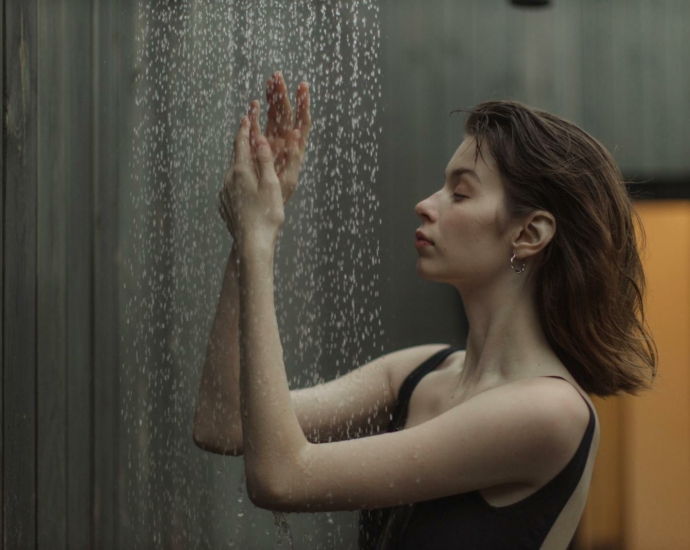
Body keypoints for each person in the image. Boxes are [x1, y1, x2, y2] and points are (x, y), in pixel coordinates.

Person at [193, 70, 657, 549]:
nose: (425, 205)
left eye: (460, 193)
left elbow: (281, 477)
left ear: (529, 234)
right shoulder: (418, 371)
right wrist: (249, 230)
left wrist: (260, 236)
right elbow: (222, 421)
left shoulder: (551, 412)